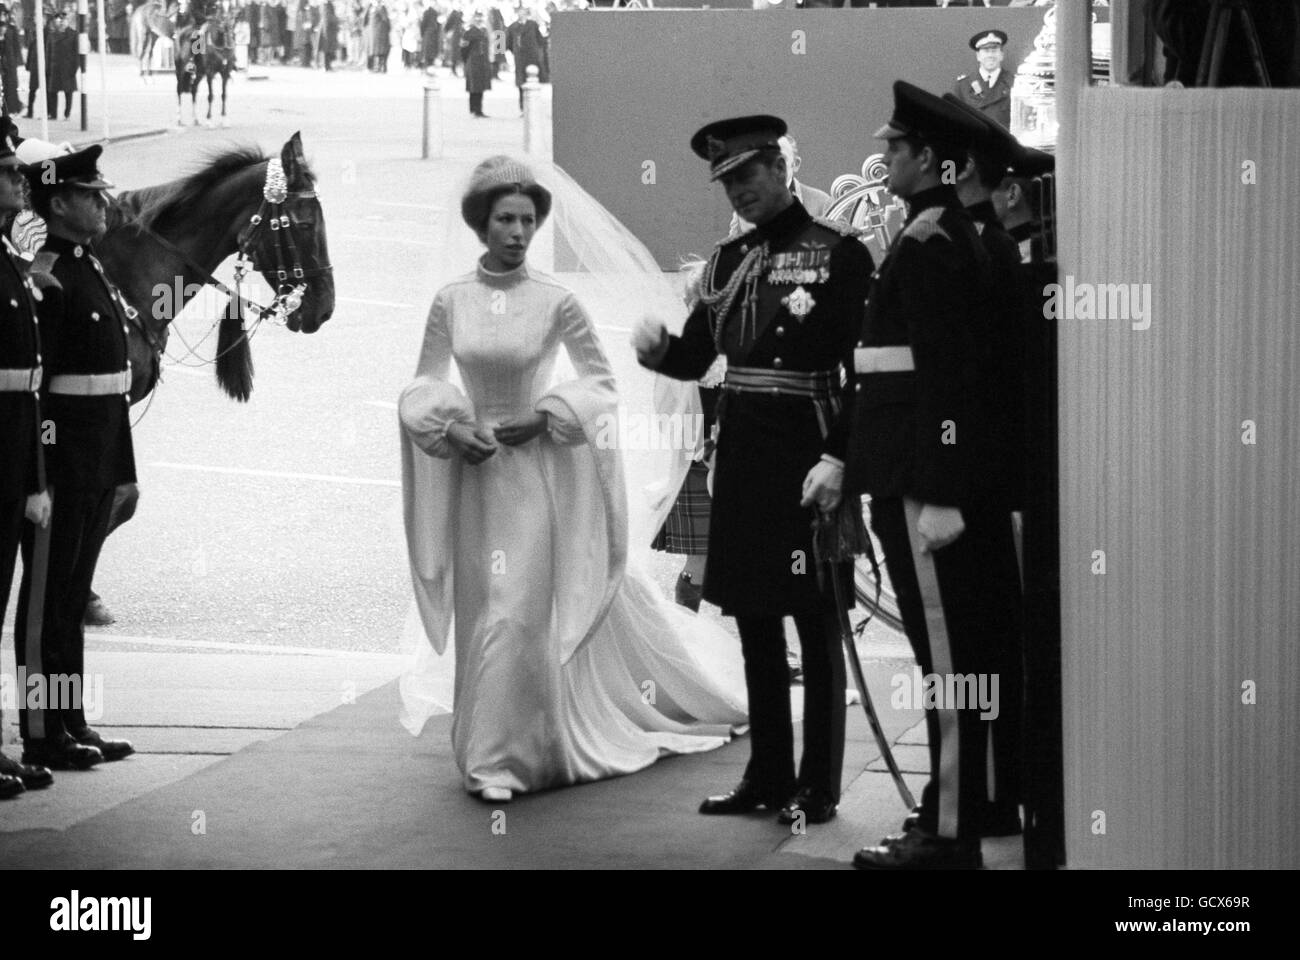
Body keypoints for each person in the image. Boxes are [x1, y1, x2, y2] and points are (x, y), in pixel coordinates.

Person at [398, 155, 747, 802]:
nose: (517, 231)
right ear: (481, 224)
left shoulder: (558, 302)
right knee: (485, 613)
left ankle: (500, 761)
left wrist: (545, 414)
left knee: (517, 612)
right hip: (476, 479)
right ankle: (495, 740)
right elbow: (425, 381)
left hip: (536, 479)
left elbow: (602, 384)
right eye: (505, 218)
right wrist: (448, 429)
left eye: (528, 220)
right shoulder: (451, 301)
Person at [635, 115, 872, 826]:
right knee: (757, 624)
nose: (738, 191)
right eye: (726, 181)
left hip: (807, 458)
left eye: (747, 175)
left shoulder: (839, 254)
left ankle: (817, 785)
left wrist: (840, 458)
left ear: (780, 168)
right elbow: (698, 355)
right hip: (741, 461)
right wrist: (659, 352)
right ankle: (766, 774)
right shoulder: (724, 262)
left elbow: (866, 374)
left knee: (815, 623)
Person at [844, 81, 1009, 870]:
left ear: (930, 160)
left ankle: (948, 835)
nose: (885, 159)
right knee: (962, 664)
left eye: (895, 149)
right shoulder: (943, 231)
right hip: (913, 474)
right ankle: (976, 821)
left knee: (949, 666)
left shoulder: (931, 240)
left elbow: (951, 376)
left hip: (920, 484)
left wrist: (940, 492)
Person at [13, 143, 135, 771]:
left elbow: (111, 385)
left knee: (71, 596)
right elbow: (37, 390)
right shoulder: (51, 273)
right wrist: (42, 475)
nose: (102, 201)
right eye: (90, 194)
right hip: (62, 469)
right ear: (58, 203)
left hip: (96, 462)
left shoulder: (89, 266)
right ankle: (40, 731)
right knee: (47, 601)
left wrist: (121, 471)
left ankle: (70, 719)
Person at [0, 130, 56, 798]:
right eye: (10, 173)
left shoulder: (12, 260)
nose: (21, 184)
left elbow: (29, 387)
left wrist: (32, 480)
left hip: (13, 457)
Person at [952, 29, 1012, 130]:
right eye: (986, 51)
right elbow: (956, 122)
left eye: (994, 51)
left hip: (1003, 142)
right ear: (978, 56)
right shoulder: (963, 86)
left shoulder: (1014, 83)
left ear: (1001, 55)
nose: (990, 55)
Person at [459, 9, 489, 117]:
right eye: (477, 17)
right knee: (473, 87)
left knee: (480, 86)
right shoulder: (469, 32)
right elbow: (463, 49)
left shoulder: (485, 31)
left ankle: (479, 109)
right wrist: (466, 60)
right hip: (473, 62)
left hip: (482, 62)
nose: (479, 20)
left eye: (480, 17)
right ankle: (474, 109)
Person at [0, 5, 20, 115]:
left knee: (11, 86)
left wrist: (15, 61)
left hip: (9, 62)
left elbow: (16, 47)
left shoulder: (11, 28)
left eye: (4, 14)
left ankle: (12, 108)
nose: (2, 16)